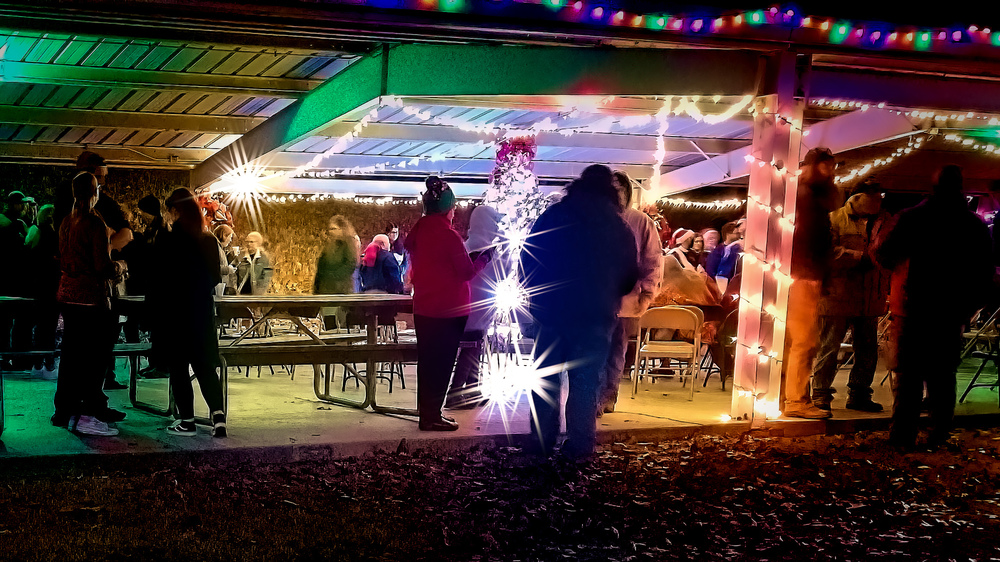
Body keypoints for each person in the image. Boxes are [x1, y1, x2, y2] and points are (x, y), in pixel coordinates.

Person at [520, 164, 638, 460]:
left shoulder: (554, 216)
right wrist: (609, 294)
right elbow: (629, 275)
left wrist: (537, 292)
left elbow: (528, 258)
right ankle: (580, 446)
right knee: (586, 382)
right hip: (595, 316)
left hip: (552, 313)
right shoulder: (617, 226)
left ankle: (541, 442)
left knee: (546, 380)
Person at [875, 165, 993, 449]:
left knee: (907, 374)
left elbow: (883, 252)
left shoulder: (911, 218)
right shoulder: (973, 224)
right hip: (951, 310)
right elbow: (985, 271)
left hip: (911, 305)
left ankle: (903, 435)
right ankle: (939, 434)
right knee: (943, 375)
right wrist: (971, 305)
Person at [404, 176, 491, 431]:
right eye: (452, 208)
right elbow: (465, 272)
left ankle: (426, 412)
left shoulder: (419, 231)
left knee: (427, 362)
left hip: (424, 307)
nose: (454, 213)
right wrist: (483, 260)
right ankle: (433, 416)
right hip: (448, 311)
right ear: (446, 208)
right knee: (442, 364)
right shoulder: (448, 235)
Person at [53, 172, 127, 436]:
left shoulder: (66, 221)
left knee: (71, 355)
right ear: (94, 192)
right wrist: (119, 267)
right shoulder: (93, 222)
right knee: (94, 357)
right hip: (90, 298)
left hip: (68, 295)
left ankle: (64, 408)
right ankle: (89, 411)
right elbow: (101, 265)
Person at [149, 188, 227, 437]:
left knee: (179, 368)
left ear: (175, 210)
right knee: (205, 367)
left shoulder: (167, 239)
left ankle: (187, 421)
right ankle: (218, 418)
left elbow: (158, 277)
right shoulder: (208, 240)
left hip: (175, 312)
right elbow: (215, 276)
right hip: (201, 311)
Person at [811, 182, 891, 412]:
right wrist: (859, 258)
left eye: (880, 197)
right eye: (874, 197)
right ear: (856, 198)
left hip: (869, 296)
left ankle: (859, 394)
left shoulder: (884, 221)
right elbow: (825, 253)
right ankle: (821, 393)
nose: (878, 202)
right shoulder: (834, 220)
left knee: (867, 349)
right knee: (829, 347)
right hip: (837, 294)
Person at [598, 170, 662, 415]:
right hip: (598, 298)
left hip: (627, 298)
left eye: (620, 188)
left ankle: (607, 396)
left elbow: (652, 259)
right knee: (596, 349)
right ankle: (592, 397)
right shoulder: (597, 219)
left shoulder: (640, 221)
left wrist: (647, 293)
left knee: (615, 350)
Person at [783, 147, 839, 420]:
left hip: (802, 273)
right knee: (804, 340)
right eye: (827, 167)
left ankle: (792, 396)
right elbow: (812, 239)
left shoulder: (802, 194)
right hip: (804, 274)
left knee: (798, 339)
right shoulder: (808, 198)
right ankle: (795, 399)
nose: (830, 173)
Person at [448, 204, 505, 409]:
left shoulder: (469, 244)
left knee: (474, 348)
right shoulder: (485, 248)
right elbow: (500, 274)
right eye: (495, 222)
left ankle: (473, 389)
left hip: (470, 306)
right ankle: (455, 393)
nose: (498, 226)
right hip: (476, 308)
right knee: (471, 350)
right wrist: (505, 256)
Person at [25, 204, 59, 378]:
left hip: (36, 287)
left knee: (39, 328)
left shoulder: (34, 233)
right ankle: (49, 365)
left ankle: (37, 364)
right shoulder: (54, 237)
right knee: (49, 328)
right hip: (51, 287)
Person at [0, 191, 29, 361]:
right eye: (22, 204)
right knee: (7, 321)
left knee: (6, 321)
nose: (24, 207)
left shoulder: (10, 222)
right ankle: (8, 356)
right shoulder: (13, 223)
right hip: (12, 278)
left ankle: (6, 356)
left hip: (9, 278)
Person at [705, 221, 742, 294]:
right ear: (728, 234)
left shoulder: (737, 247)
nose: (739, 236)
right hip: (721, 282)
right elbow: (711, 267)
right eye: (736, 234)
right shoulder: (718, 250)